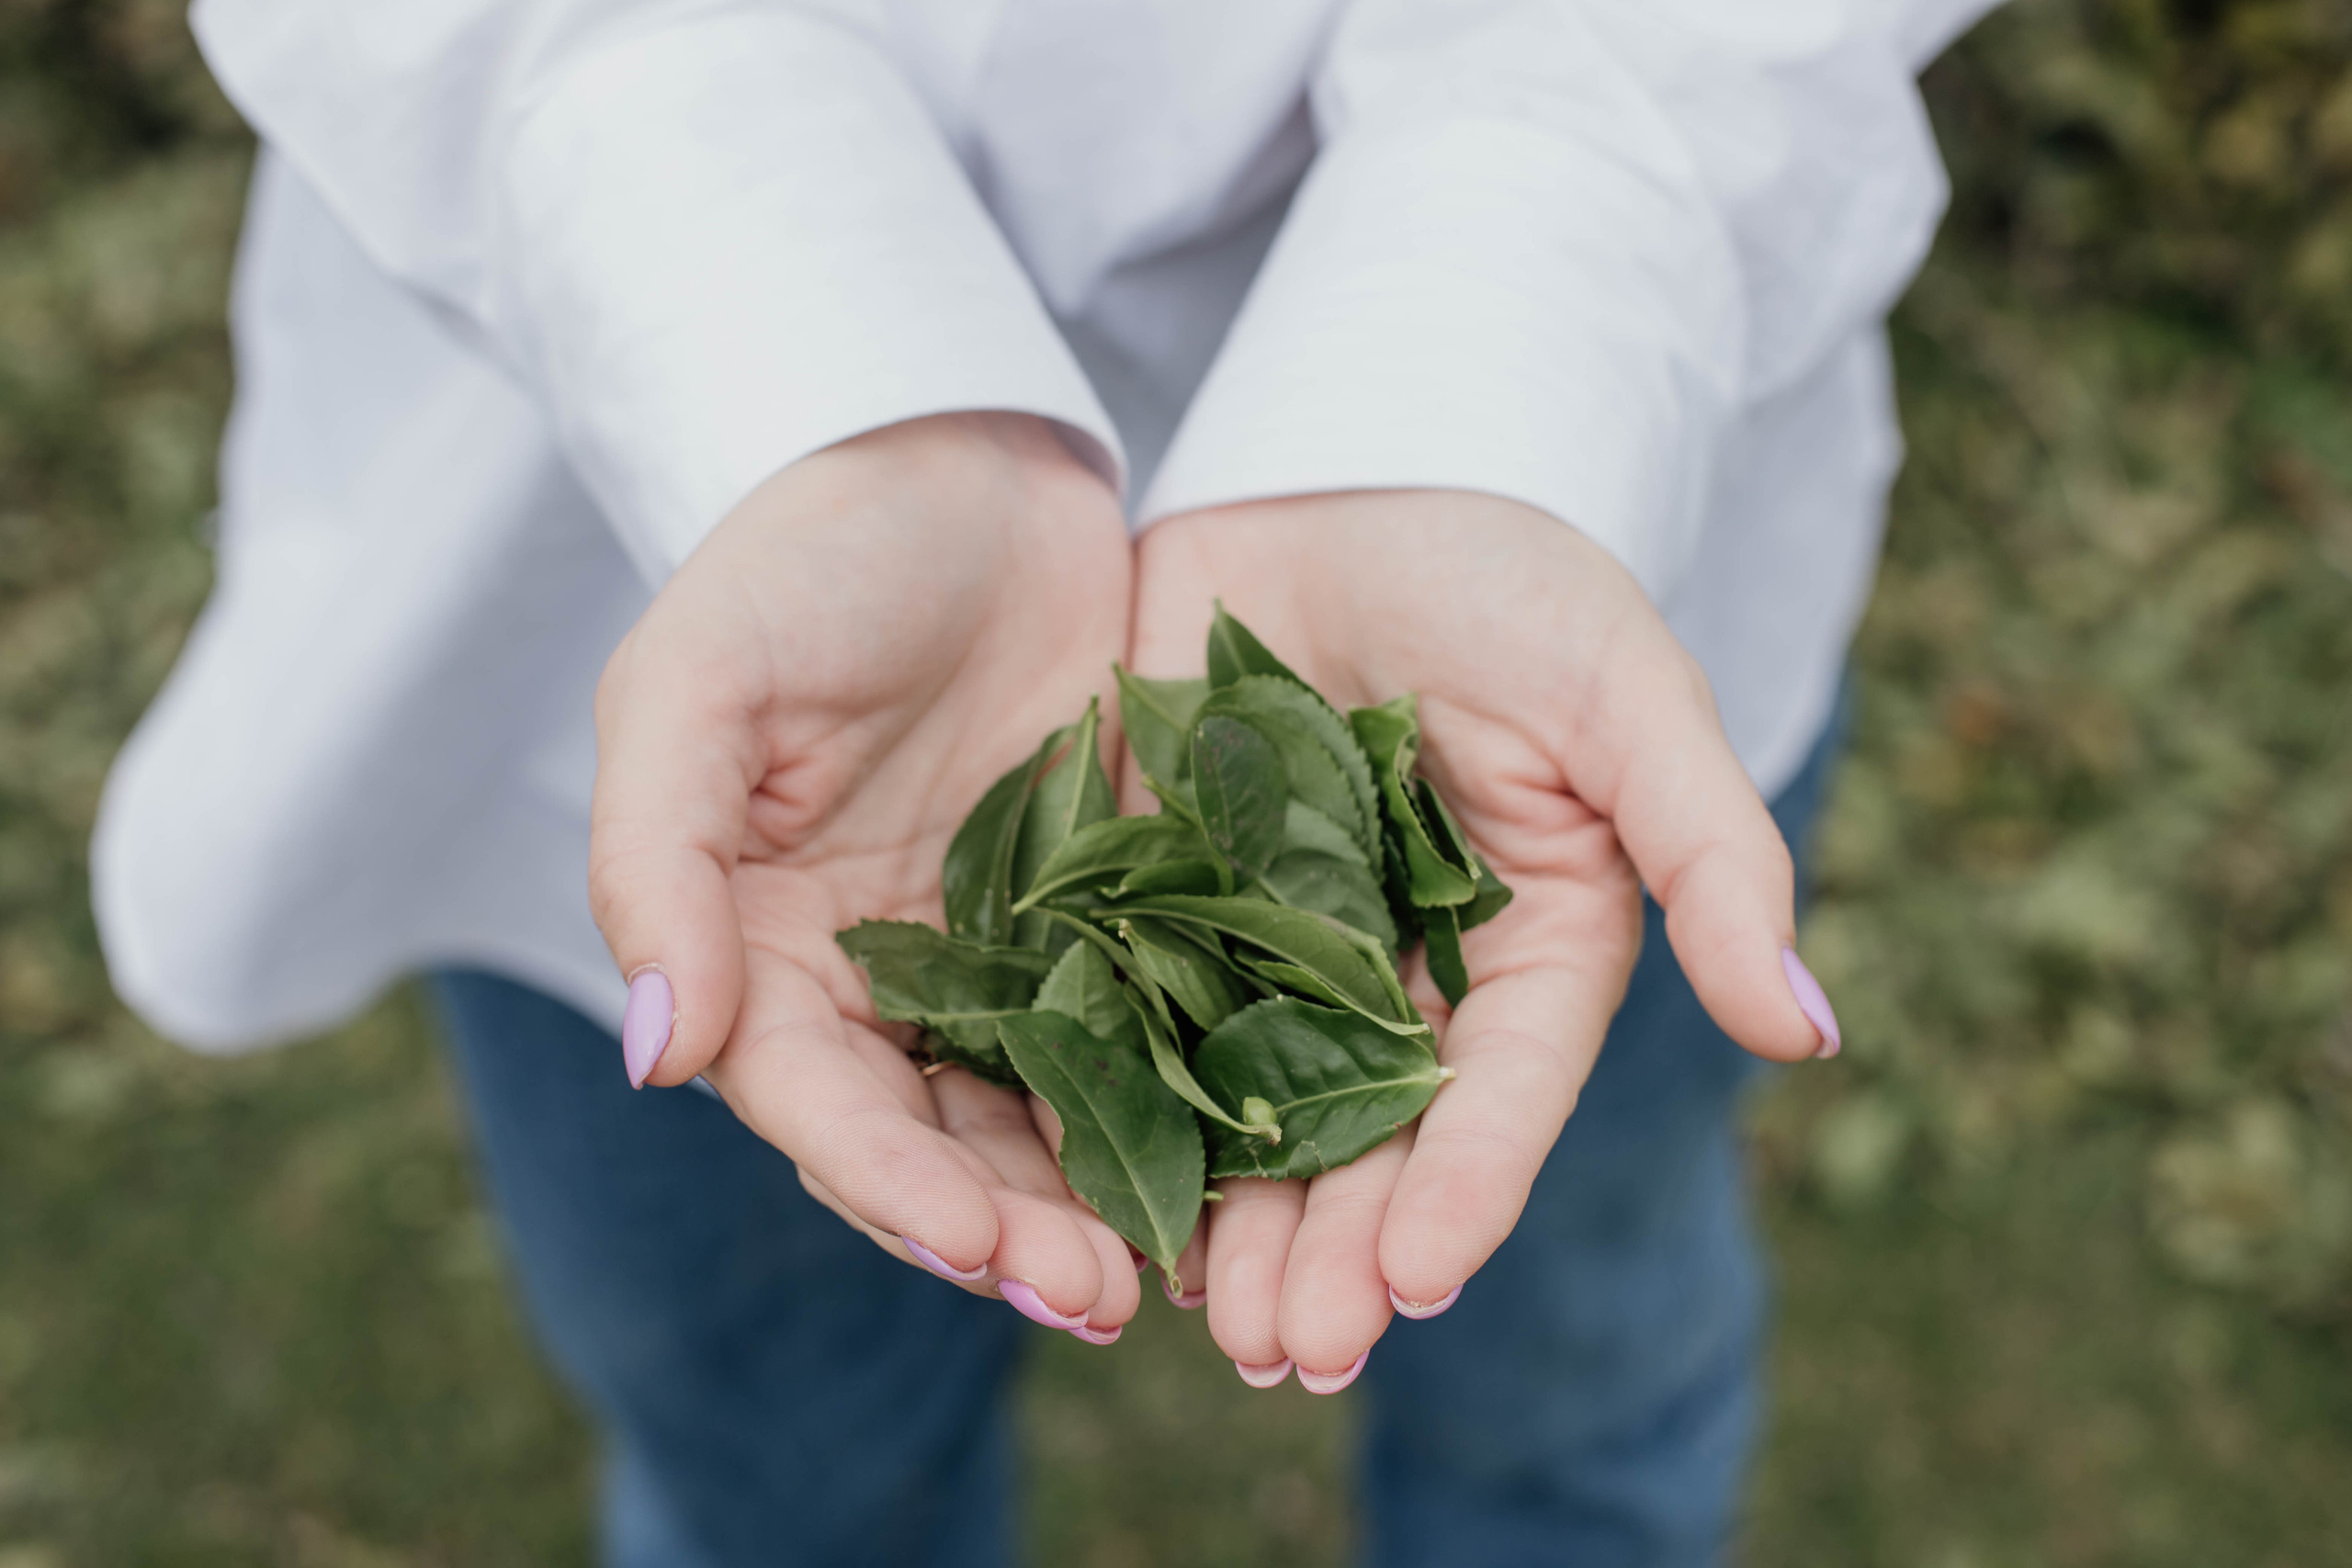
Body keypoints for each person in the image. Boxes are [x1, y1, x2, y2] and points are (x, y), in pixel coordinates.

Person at [94, 2, 2000, 1562]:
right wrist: (811, 369)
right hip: (698, 623)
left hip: (1545, 595)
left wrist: (1486, 356)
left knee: (1572, 1395)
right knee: (777, 1473)